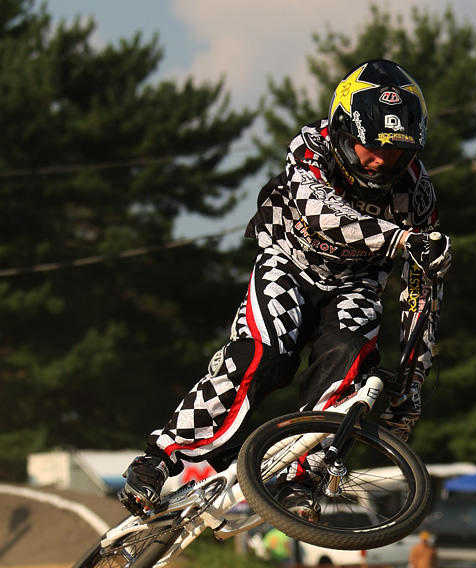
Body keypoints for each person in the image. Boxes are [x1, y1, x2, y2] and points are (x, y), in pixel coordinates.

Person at [119, 59, 452, 517]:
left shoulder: (417, 194)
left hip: (354, 286)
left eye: (396, 151)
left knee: (351, 358)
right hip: (287, 265)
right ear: (342, 130)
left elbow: (423, 294)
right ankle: (161, 458)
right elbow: (323, 215)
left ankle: (303, 479)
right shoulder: (310, 148)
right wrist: (400, 239)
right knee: (262, 353)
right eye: (371, 146)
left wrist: (412, 384)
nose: (381, 161)